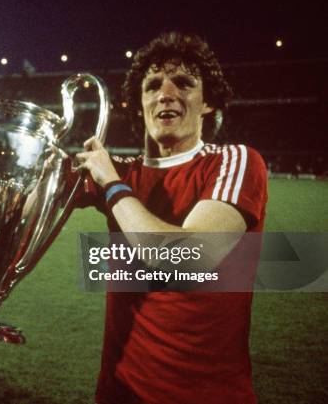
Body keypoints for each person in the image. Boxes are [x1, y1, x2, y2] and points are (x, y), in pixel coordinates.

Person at [74, 32, 268, 403]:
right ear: (137, 104)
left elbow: (188, 259)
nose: (165, 93)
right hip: (118, 393)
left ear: (207, 101)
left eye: (183, 83)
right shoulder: (120, 171)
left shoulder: (235, 161)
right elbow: (23, 204)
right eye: (152, 86)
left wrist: (112, 186)